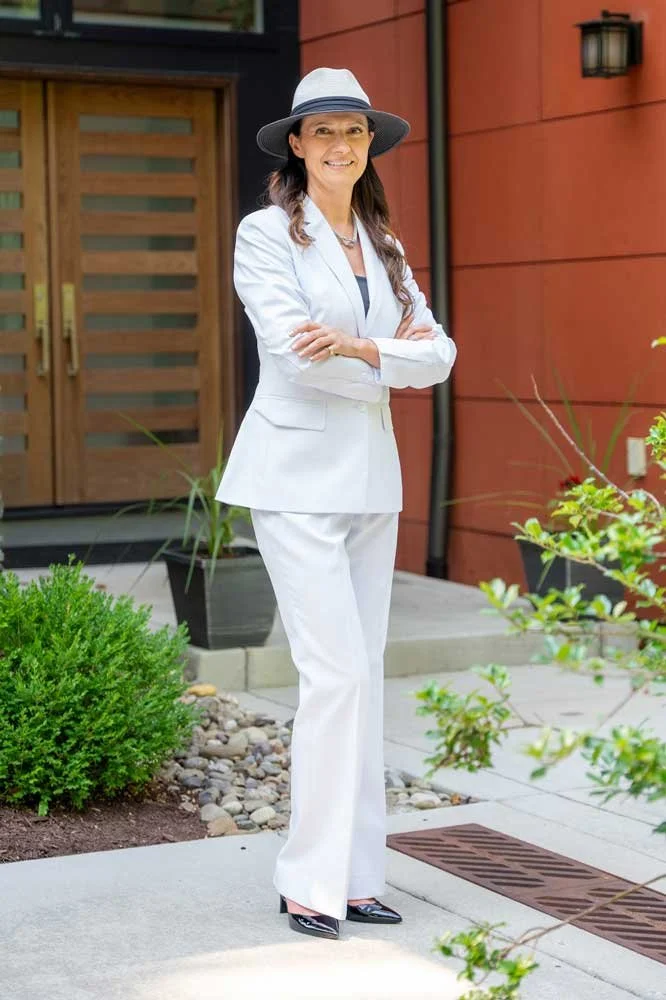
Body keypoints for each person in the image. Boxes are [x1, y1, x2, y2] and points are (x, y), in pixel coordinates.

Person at [215, 67, 457, 940]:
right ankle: (308, 881)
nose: (341, 145)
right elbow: (292, 356)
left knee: (365, 678)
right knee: (336, 675)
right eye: (324, 131)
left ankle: (357, 878)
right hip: (293, 479)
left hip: (369, 479)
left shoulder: (383, 243)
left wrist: (358, 347)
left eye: (354, 131)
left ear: (369, 145)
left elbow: (442, 356)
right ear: (297, 144)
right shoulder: (264, 234)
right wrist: (388, 355)